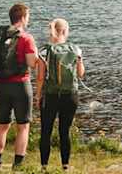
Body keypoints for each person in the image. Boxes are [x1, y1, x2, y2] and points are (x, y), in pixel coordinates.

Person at [0, 3, 40, 170]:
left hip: (2, 86)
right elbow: (32, 63)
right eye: (28, 17)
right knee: (23, 126)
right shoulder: (26, 38)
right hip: (21, 85)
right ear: (23, 18)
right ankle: (17, 166)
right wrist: (38, 55)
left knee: (2, 125)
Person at [34, 18, 85, 171]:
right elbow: (81, 74)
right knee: (65, 130)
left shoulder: (44, 50)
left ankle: (44, 166)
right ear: (65, 31)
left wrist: (38, 96)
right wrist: (80, 60)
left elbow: (41, 77)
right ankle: (65, 165)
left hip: (50, 95)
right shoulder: (76, 49)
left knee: (46, 130)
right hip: (70, 95)